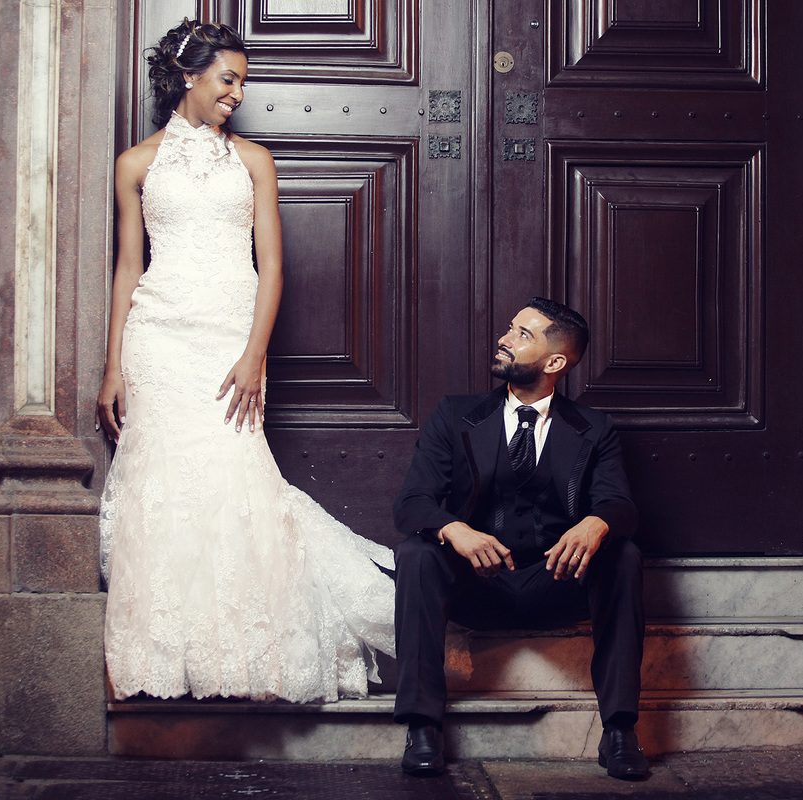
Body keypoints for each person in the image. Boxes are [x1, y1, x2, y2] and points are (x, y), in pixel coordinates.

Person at [96, 19, 395, 703]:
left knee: (237, 480)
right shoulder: (135, 164)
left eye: (242, 83)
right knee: (161, 487)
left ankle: (246, 655)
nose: (236, 93)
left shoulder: (254, 160)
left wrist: (255, 354)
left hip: (231, 339)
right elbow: (128, 267)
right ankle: (167, 659)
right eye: (227, 80)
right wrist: (114, 366)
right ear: (187, 76)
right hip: (158, 339)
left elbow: (273, 268)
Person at [392, 298, 649, 780]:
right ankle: (422, 726)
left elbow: (621, 505)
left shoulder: (594, 429)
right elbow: (411, 503)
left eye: (522, 335)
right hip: (476, 586)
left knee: (624, 555)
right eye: (510, 329)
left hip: (555, 583)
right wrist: (454, 528)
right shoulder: (456, 414)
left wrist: (598, 522)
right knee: (417, 553)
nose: (504, 339)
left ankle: (619, 730)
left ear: (555, 362)